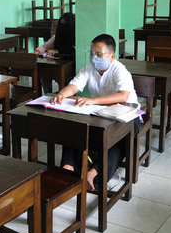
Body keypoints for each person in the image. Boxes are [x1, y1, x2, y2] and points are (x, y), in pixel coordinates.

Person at [50, 34, 141, 191]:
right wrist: (62, 94)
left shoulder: (120, 70)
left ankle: (93, 173)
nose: (94, 57)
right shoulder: (89, 68)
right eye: (92, 53)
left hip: (128, 115)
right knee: (74, 128)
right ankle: (67, 168)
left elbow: (123, 96)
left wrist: (92, 101)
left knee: (117, 140)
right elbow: (75, 85)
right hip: (100, 113)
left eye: (99, 54)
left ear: (111, 56)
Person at [34, 12, 76, 94]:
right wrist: (37, 51)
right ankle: (47, 94)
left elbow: (75, 49)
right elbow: (46, 46)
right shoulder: (58, 35)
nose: (63, 27)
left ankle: (63, 94)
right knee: (44, 72)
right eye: (61, 24)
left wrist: (60, 51)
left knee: (66, 82)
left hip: (71, 62)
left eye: (66, 24)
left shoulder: (77, 35)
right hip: (58, 61)